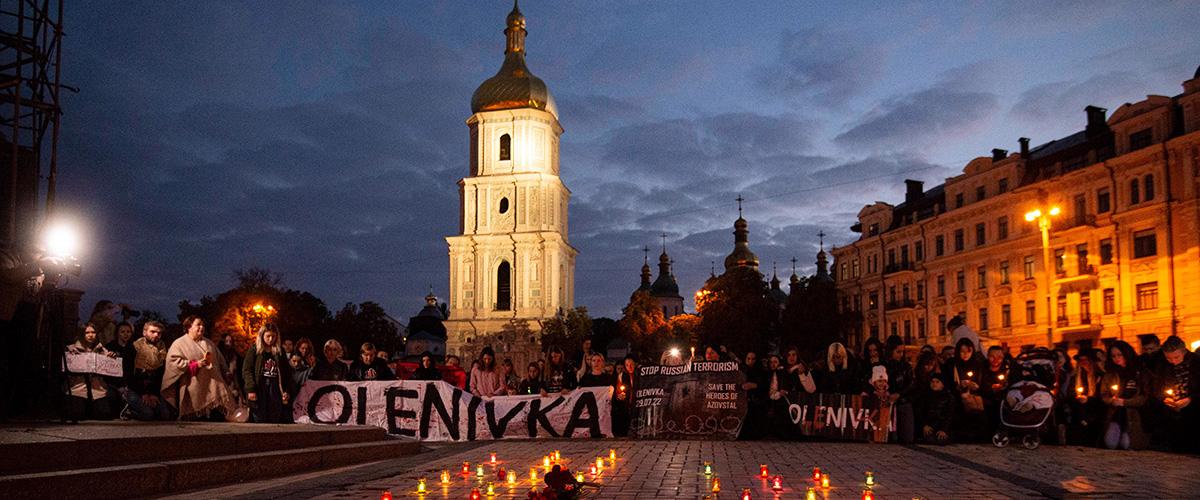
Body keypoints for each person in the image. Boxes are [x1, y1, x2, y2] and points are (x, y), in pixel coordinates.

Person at [162, 317, 237, 420]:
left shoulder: (209, 343)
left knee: (217, 417)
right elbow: (173, 363)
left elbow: (220, 360)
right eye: (198, 325)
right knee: (197, 416)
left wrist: (226, 373)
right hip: (192, 384)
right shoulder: (179, 344)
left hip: (212, 384)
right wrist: (195, 364)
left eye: (203, 325)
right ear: (189, 327)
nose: (202, 327)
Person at [1099, 341, 1151, 450]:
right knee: (1110, 443)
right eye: (1113, 356)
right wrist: (1111, 400)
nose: (1116, 358)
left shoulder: (1140, 372)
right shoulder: (1110, 374)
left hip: (1134, 414)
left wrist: (1125, 402)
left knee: (1126, 444)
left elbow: (1144, 396)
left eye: (1119, 354)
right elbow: (1104, 394)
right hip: (1116, 414)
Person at [1154, 336, 1199, 453]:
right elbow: (1157, 385)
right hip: (1171, 412)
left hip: (1194, 410)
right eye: (1168, 357)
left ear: (1184, 351)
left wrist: (1190, 399)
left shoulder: (1196, 363)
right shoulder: (1163, 364)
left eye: (1176, 357)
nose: (1172, 360)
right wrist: (1164, 398)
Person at [122, 321, 174, 421]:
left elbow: (160, 374)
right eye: (153, 332)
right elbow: (129, 375)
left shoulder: (162, 351)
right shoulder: (133, 348)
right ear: (144, 333)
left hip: (153, 388)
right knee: (147, 414)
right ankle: (129, 411)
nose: (156, 335)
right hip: (135, 388)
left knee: (164, 415)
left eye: (159, 333)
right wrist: (143, 393)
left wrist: (154, 394)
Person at [242, 323, 292, 423]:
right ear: (262, 336)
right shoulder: (254, 350)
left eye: (273, 336)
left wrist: (286, 390)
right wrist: (251, 389)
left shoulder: (279, 351)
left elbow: (286, 373)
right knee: (259, 417)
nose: (270, 339)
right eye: (268, 336)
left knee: (274, 416)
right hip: (260, 385)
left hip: (274, 386)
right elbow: (247, 370)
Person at [64, 323, 115, 420]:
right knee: (77, 415)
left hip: (97, 390)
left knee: (104, 415)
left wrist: (110, 357)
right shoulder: (72, 349)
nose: (90, 335)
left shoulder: (101, 350)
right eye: (87, 333)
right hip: (77, 389)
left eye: (93, 332)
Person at [942, 337, 986, 442]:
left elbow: (980, 382)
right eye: (962, 351)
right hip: (956, 399)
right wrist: (958, 386)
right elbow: (945, 380)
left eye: (968, 351)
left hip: (971, 399)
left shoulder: (976, 364)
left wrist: (975, 386)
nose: (965, 354)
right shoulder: (952, 364)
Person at [1064, 348, 1104, 446]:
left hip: (1095, 414)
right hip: (1078, 413)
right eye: (1081, 360)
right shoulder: (1075, 377)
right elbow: (1070, 395)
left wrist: (1089, 400)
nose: (1083, 363)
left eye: (1086, 360)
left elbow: (1102, 397)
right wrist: (1078, 400)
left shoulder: (1100, 377)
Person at [883, 337, 915, 443]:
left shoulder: (906, 366)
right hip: (887, 402)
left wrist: (899, 394)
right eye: (898, 352)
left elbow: (911, 384)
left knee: (907, 436)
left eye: (902, 352)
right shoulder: (883, 365)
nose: (900, 354)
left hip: (903, 402)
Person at [104, 321, 137, 412]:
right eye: (122, 332)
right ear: (117, 333)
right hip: (112, 383)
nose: (126, 334)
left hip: (128, 384)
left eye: (128, 332)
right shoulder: (110, 346)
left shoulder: (133, 348)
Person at [978, 345, 1009, 439]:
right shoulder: (981, 369)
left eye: (999, 357)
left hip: (1002, 399)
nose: (995, 359)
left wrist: (1003, 388)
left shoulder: (1008, 369)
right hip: (985, 398)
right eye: (992, 356)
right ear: (987, 356)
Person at [920, 376, 955, 444]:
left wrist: (943, 429)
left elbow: (950, 415)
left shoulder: (949, 397)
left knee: (942, 440)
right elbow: (920, 412)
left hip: (942, 426)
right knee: (929, 439)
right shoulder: (925, 396)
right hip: (929, 426)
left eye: (937, 382)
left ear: (942, 384)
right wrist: (924, 425)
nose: (934, 384)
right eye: (932, 382)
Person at [613, 355, 637, 437]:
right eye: (627, 365)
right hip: (627, 405)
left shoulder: (640, 374)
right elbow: (618, 391)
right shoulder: (622, 376)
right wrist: (619, 396)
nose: (630, 367)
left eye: (632, 365)